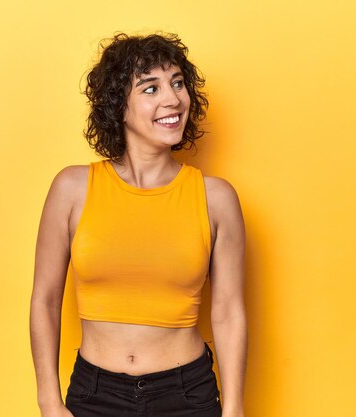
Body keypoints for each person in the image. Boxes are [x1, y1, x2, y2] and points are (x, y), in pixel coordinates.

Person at [29, 32, 247, 417]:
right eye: (151, 88)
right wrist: (48, 400)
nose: (173, 99)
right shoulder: (72, 189)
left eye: (178, 83)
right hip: (93, 395)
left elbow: (228, 311)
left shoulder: (216, 198)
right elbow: (45, 300)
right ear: (119, 107)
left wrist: (233, 410)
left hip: (187, 395)